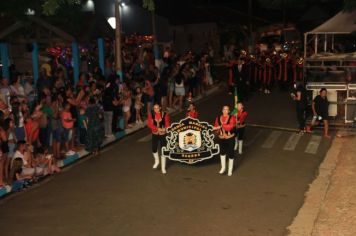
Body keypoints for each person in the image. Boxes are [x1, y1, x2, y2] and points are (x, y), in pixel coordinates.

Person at [147, 103, 170, 174]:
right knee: (154, 149)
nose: (155, 109)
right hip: (155, 134)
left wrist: (165, 129)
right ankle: (157, 161)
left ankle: (163, 167)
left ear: (160, 108)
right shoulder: (151, 115)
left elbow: (167, 124)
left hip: (163, 134)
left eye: (157, 108)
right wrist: (157, 128)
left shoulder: (165, 115)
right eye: (154, 108)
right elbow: (149, 124)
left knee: (163, 150)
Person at [213, 105, 236, 176]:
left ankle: (230, 170)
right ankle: (223, 168)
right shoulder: (218, 118)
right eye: (224, 109)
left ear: (229, 111)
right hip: (221, 138)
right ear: (222, 110)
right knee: (222, 153)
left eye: (227, 110)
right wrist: (216, 129)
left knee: (231, 153)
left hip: (230, 138)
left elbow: (230, 127)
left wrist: (222, 126)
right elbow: (216, 127)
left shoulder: (232, 118)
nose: (225, 111)